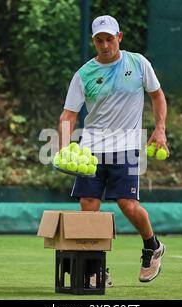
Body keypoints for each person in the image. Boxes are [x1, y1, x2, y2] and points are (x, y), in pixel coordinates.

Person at [57, 15, 168, 285]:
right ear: (93, 41)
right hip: (91, 149)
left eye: (109, 38)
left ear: (119, 37)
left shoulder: (138, 63)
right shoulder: (84, 74)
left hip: (128, 147)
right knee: (89, 206)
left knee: (128, 205)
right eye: (99, 40)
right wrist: (63, 148)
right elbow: (68, 115)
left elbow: (157, 95)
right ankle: (96, 267)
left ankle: (152, 246)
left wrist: (160, 129)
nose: (104, 44)